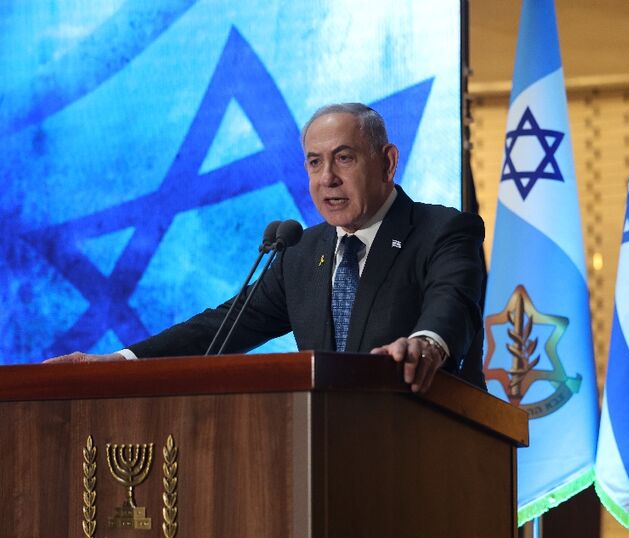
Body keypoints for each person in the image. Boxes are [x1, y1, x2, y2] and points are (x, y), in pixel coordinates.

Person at [45, 103, 486, 393]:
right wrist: (122, 362)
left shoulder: (443, 230)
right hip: (329, 454)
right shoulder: (299, 252)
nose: (327, 177)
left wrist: (427, 344)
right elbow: (223, 328)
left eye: (344, 158)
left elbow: (453, 303)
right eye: (315, 162)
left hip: (425, 458)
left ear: (387, 162)